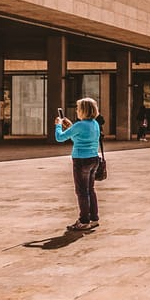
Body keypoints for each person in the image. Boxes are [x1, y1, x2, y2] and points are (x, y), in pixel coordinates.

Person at [54, 97, 101, 231]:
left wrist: (58, 125)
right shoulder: (94, 124)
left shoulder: (80, 125)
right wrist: (70, 126)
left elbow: (60, 138)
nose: (76, 110)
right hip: (93, 159)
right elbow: (78, 138)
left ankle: (84, 220)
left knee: (81, 191)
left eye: (78, 108)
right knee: (90, 189)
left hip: (81, 160)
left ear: (83, 110)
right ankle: (94, 218)